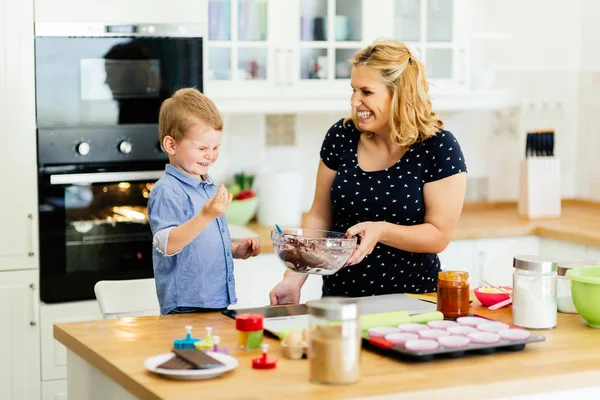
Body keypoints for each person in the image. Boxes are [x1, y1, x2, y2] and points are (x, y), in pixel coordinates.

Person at [269, 39, 467, 304]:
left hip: (413, 301)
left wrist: (382, 231)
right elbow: (319, 214)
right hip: (340, 300)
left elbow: (438, 235)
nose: (354, 101)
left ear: (400, 94)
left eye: (366, 92)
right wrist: (293, 277)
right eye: (353, 90)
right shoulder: (342, 135)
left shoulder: (438, 147)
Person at [148, 88, 261, 314]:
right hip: (187, 306)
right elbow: (167, 244)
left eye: (215, 147)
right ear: (171, 145)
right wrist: (206, 215)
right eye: (202, 148)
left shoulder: (206, 184)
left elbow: (200, 243)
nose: (210, 155)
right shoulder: (167, 190)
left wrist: (235, 250)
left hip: (215, 301)